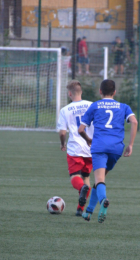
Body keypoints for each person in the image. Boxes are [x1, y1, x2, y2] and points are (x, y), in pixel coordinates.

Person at [78, 79, 138, 223]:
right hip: (117, 148)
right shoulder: (124, 106)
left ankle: (104, 200)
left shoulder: (95, 106)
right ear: (115, 92)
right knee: (100, 179)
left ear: (100, 91)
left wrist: (87, 139)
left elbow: (80, 129)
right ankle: (89, 212)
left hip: (99, 146)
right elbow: (134, 122)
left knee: (99, 180)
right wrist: (131, 144)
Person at [57, 80, 94, 216]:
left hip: (74, 149)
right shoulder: (91, 105)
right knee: (86, 177)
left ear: (69, 94)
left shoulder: (65, 110)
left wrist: (62, 143)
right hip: (91, 147)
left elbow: (62, 132)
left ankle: (82, 188)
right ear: (81, 92)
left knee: (75, 177)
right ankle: (80, 209)